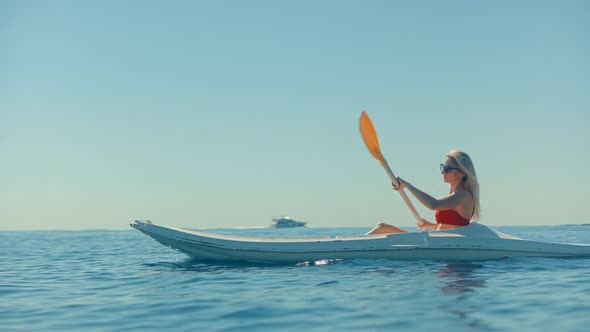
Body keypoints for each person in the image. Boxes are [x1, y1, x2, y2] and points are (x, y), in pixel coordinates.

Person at [366, 150, 480, 235]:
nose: (443, 172)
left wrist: (407, 185)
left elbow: (433, 205)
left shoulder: (463, 196)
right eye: (443, 167)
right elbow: (451, 225)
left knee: (381, 228)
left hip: (441, 244)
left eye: (448, 169)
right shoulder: (454, 195)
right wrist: (430, 225)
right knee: (382, 227)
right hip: (437, 241)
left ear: (463, 173)